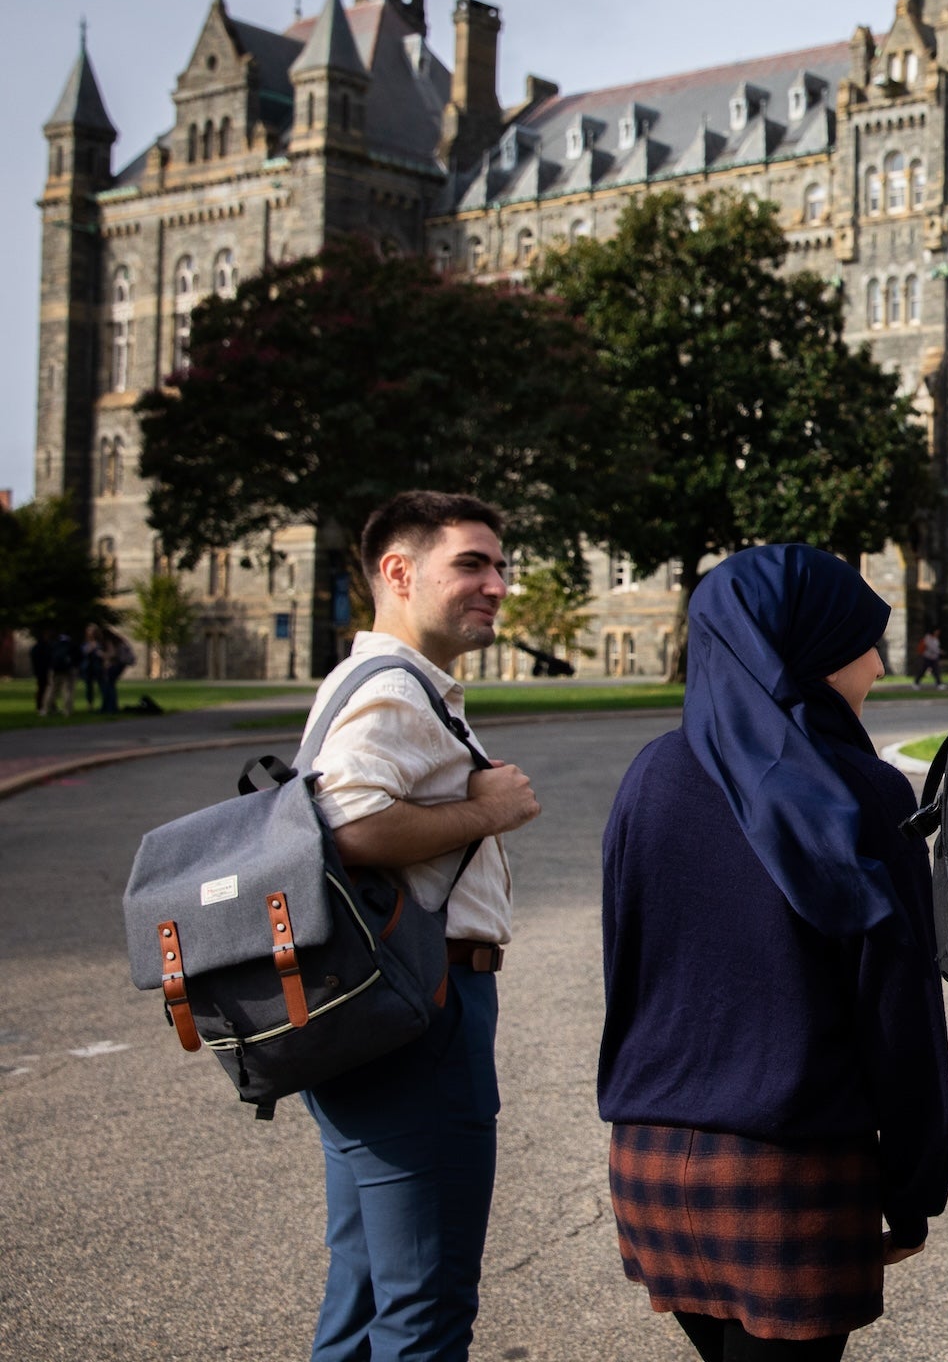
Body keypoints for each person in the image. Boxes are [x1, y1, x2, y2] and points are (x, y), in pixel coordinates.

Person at [600, 544, 948, 1362]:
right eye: (864, 641)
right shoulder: (857, 791)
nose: (875, 662)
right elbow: (897, 1008)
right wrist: (913, 1183)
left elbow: (628, 962)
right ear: (814, 650)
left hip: (651, 1160)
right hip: (789, 1171)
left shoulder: (651, 773)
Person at [299, 491, 543, 1362]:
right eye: (472, 564)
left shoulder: (376, 680)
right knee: (425, 1309)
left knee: (364, 1297)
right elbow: (352, 823)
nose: (498, 585)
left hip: (372, 1015)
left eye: (501, 565)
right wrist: (488, 811)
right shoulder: (396, 690)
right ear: (398, 573)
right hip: (421, 1011)